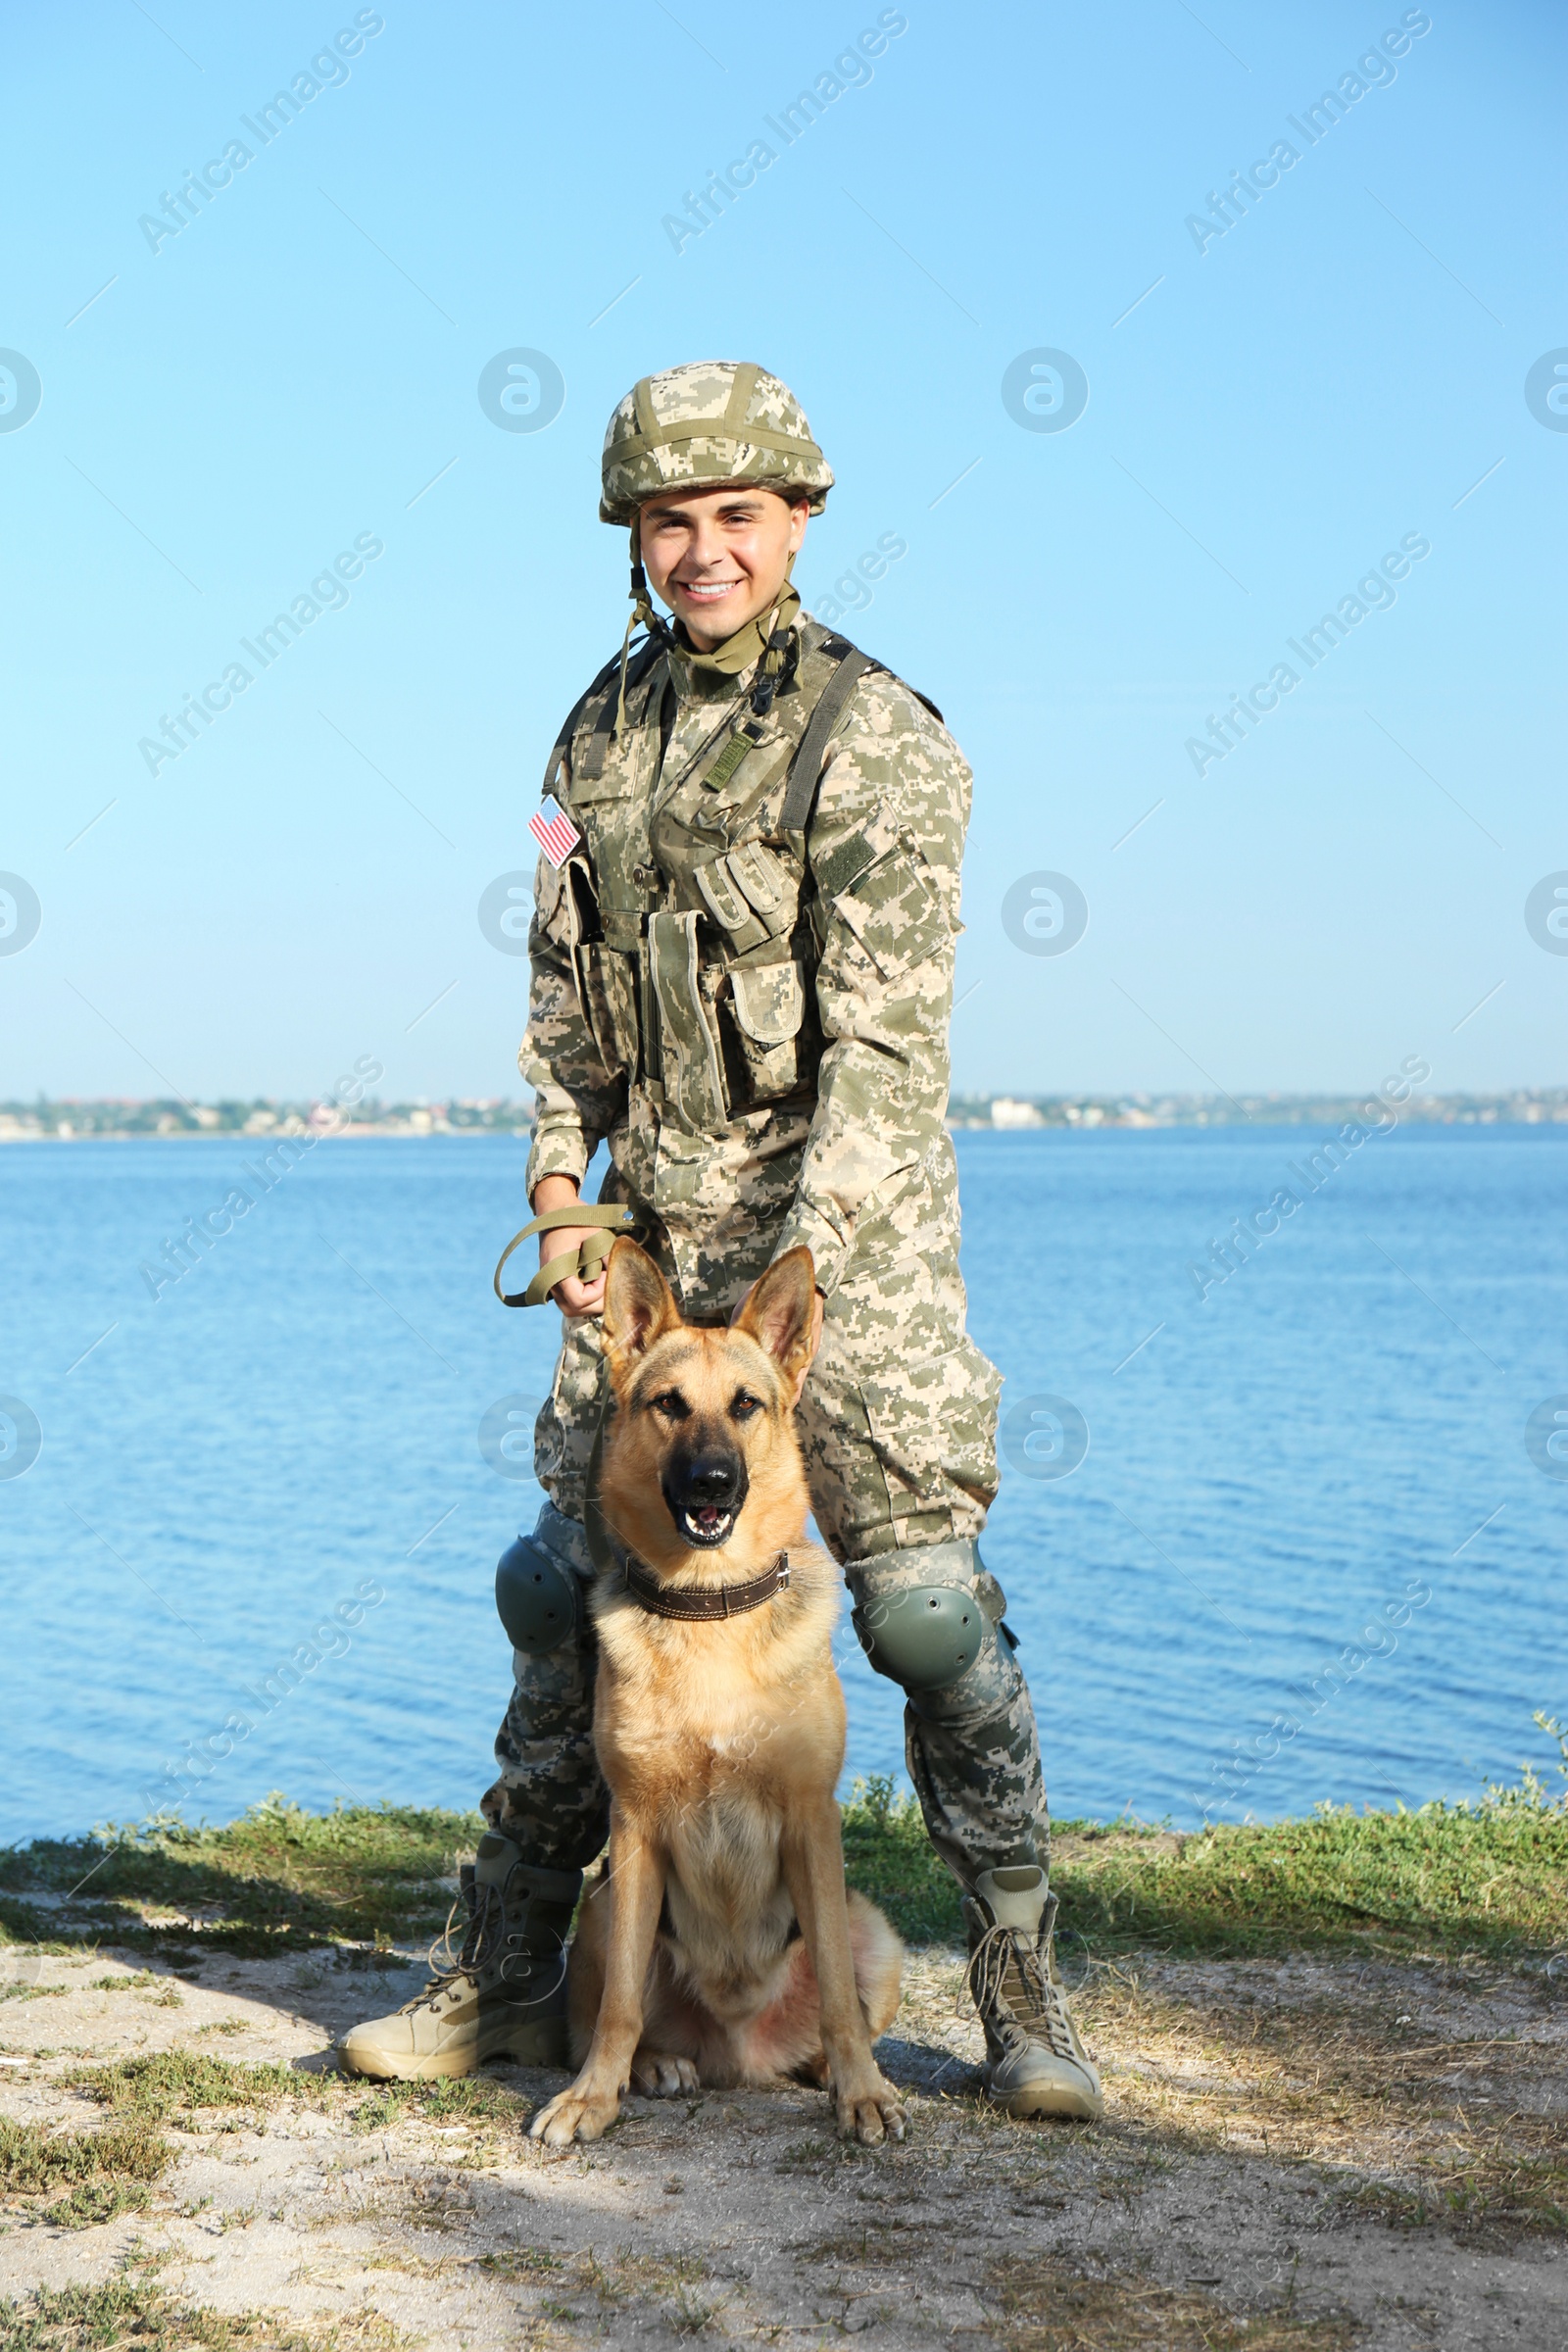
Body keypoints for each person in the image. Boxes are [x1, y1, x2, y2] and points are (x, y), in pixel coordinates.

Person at [340, 361, 1101, 2122]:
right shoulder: (586, 745)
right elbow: (560, 1003)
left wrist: (794, 1274)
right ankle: (505, 1969)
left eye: (737, 517)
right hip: (651, 1245)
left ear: (800, 523)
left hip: (847, 1238)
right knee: (561, 1591)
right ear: (634, 534)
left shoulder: (880, 739)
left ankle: (1021, 1995)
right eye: (671, 520)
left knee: (915, 1616)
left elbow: (895, 1051)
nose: (704, 550)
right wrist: (560, 1193)